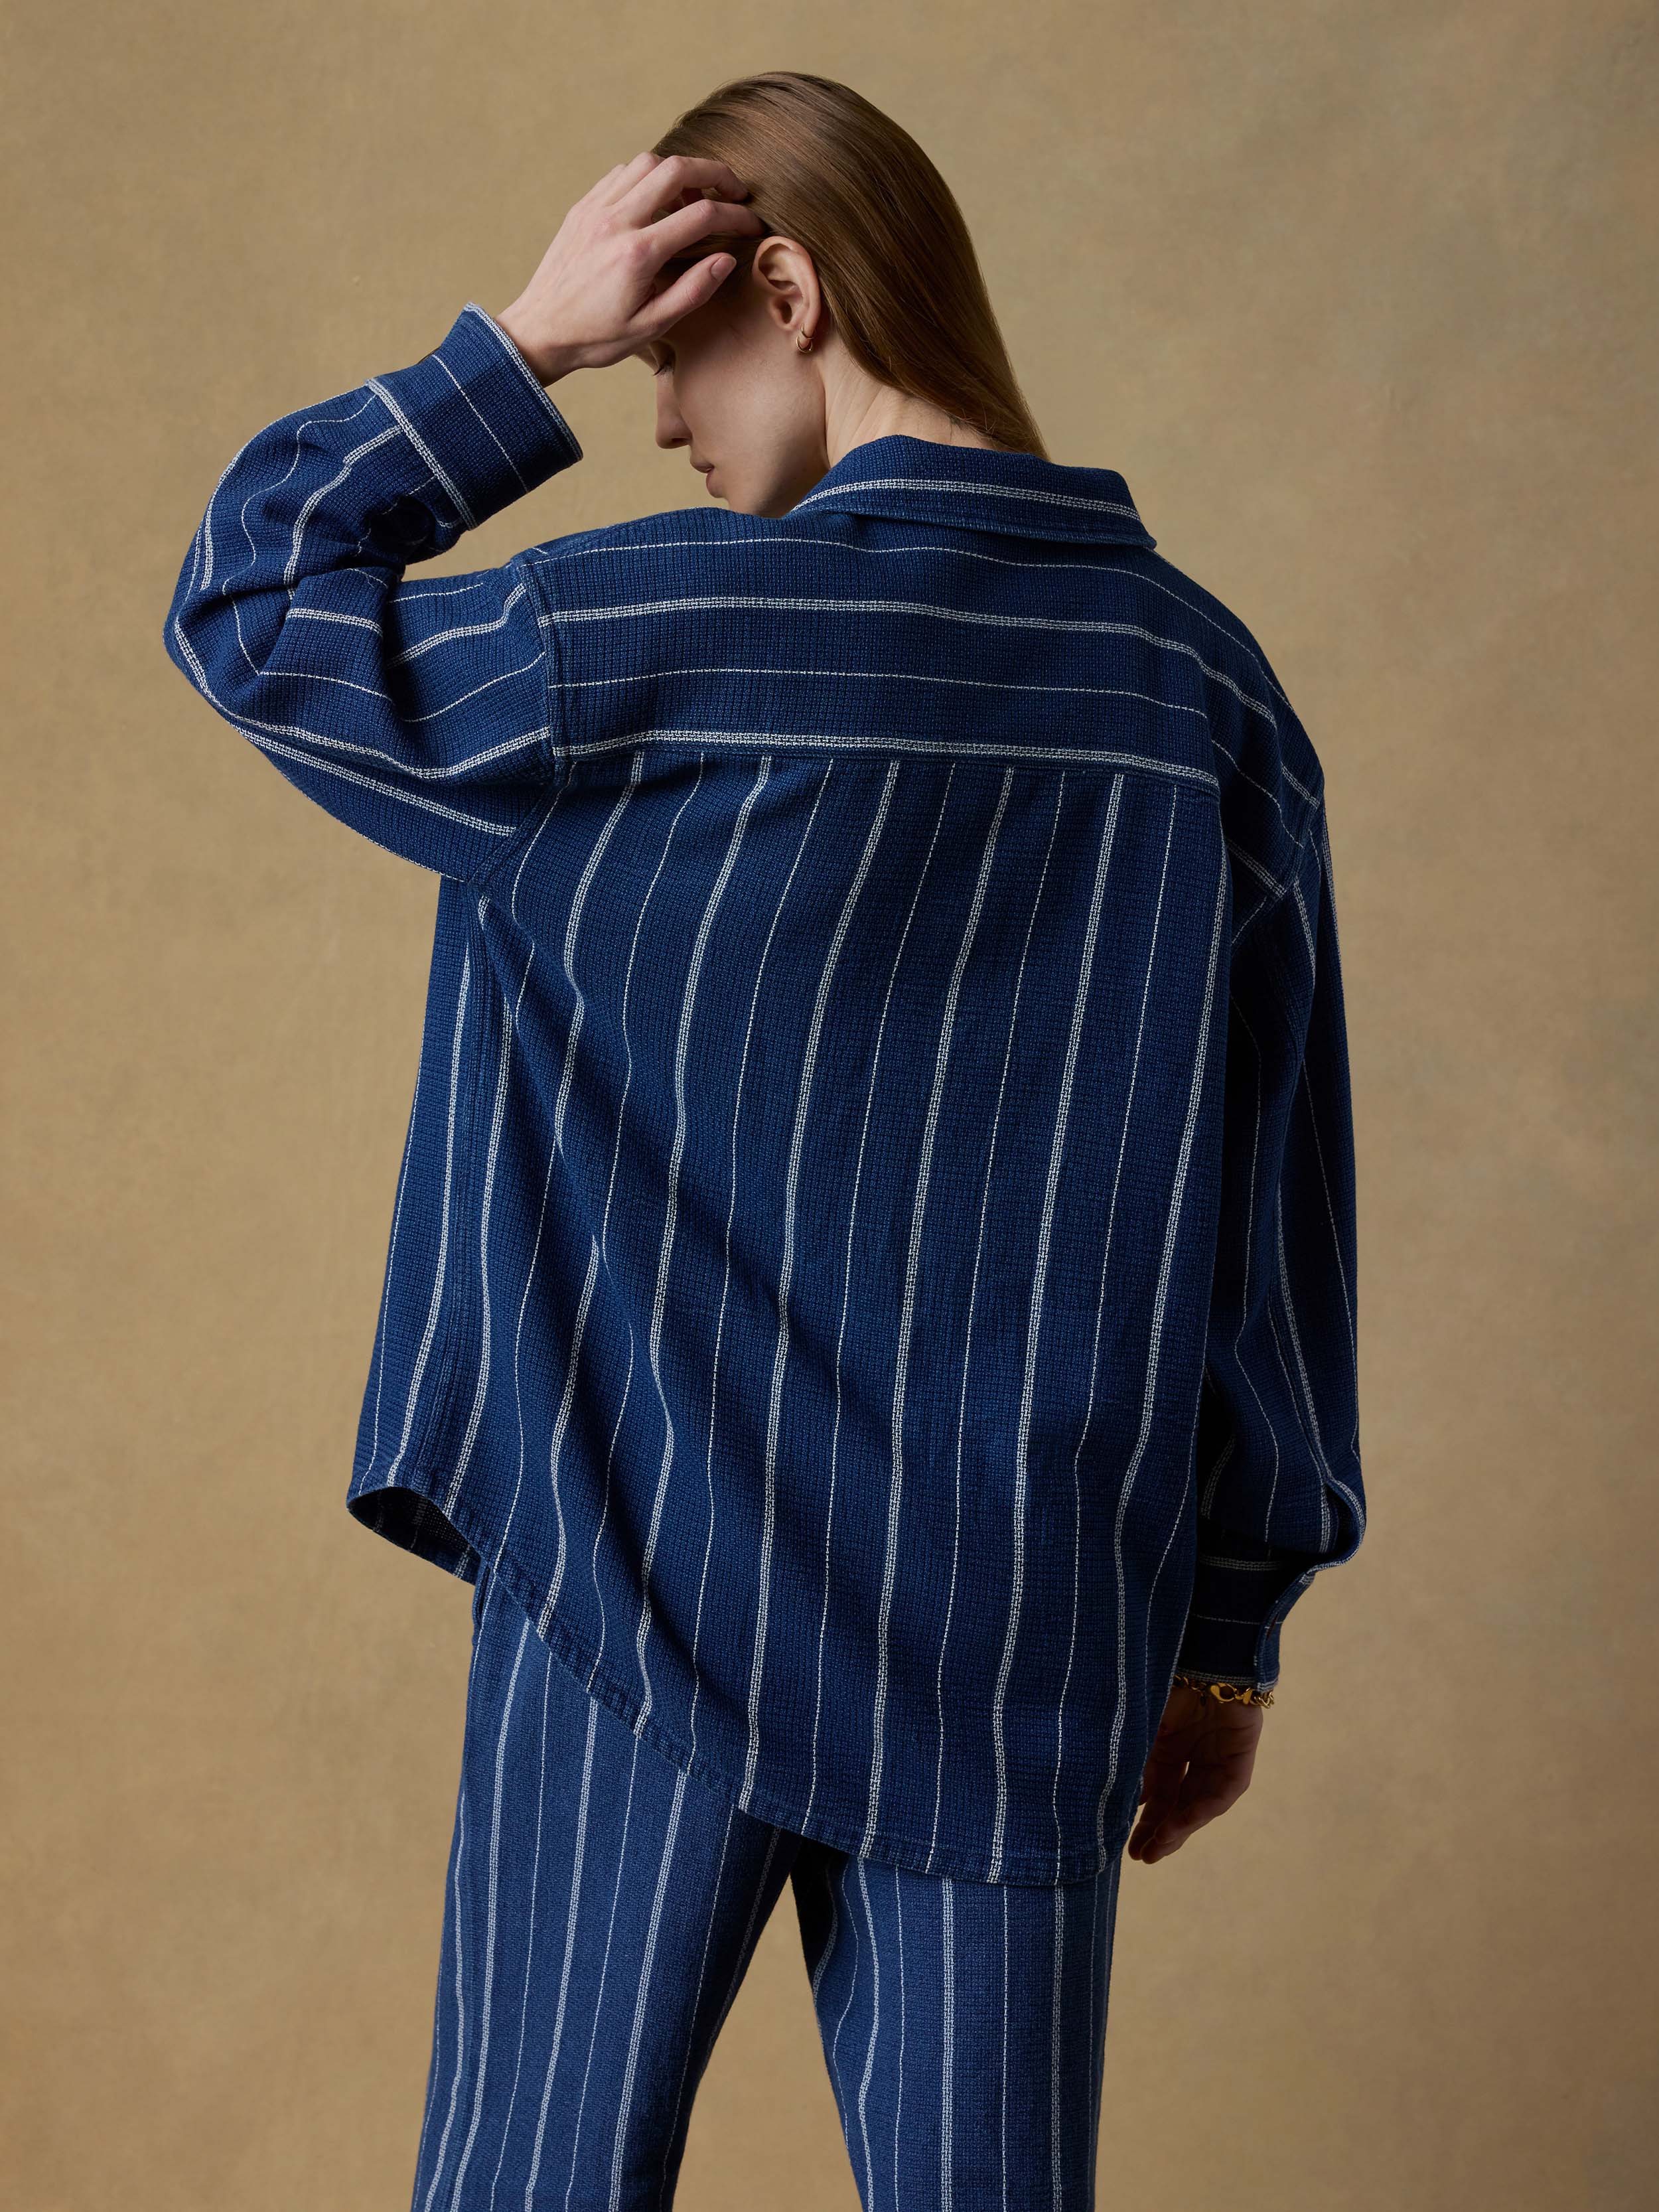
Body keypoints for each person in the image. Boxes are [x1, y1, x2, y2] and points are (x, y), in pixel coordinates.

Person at [161, 68, 1363, 2212]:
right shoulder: (1205, 699)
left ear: (782, 287)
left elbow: (254, 603)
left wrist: (511, 348)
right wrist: (1227, 1629)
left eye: (667, 351)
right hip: (1018, 1619)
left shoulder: (626, 641)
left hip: (630, 1580)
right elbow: (1268, 1222)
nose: (654, 416)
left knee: (532, 2187)